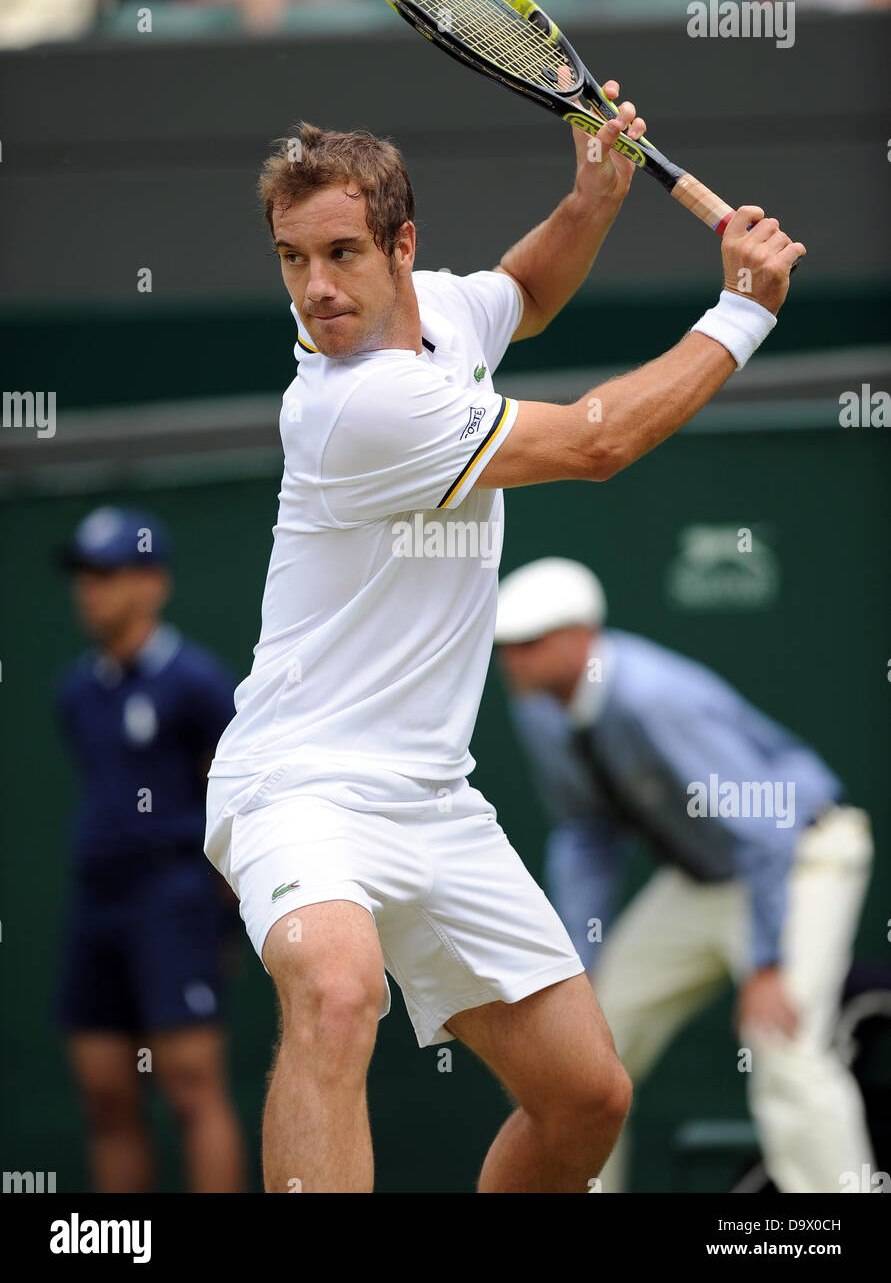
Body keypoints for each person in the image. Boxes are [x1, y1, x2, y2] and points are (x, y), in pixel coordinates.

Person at [204, 95, 805, 1192]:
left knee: (587, 1099)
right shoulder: (354, 405)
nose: (319, 288)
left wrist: (593, 198)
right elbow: (597, 440)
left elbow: (521, 294)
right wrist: (743, 313)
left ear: (403, 248)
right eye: (293, 260)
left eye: (342, 253)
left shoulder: (435, 313)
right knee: (338, 991)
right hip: (299, 786)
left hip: (434, 800)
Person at [494, 556, 875, 1193]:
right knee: (584, 1048)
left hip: (801, 858)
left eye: (530, 644)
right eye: (505, 647)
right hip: (706, 875)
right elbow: (587, 836)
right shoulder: (539, 710)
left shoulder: (653, 697)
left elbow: (764, 825)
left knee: (784, 1044)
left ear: (583, 636)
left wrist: (766, 963)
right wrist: (577, 958)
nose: (513, 661)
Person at [55, 505, 246, 1193]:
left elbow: (231, 811)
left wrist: (220, 921)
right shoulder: (75, 693)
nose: (90, 590)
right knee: (106, 1094)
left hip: (174, 904)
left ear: (152, 582)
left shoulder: (196, 684)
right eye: (84, 574)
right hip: (97, 904)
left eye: (107, 573)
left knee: (192, 1091)